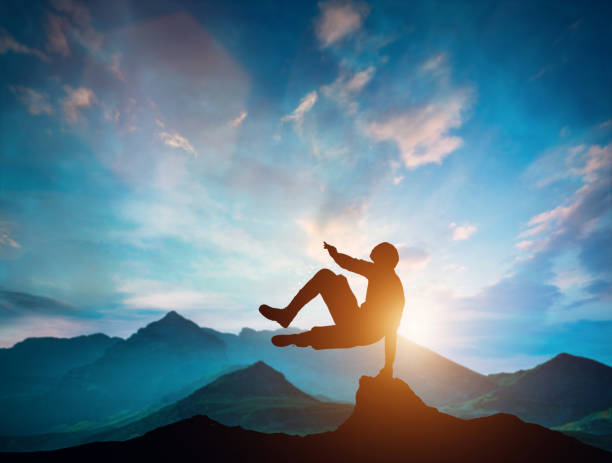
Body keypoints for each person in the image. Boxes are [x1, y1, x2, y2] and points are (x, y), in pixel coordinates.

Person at [259, 241, 405, 377]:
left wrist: (388, 366)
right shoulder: (379, 272)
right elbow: (351, 263)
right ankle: (289, 319)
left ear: (385, 260)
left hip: (364, 330)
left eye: (376, 256)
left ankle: (297, 336)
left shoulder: (391, 285)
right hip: (358, 321)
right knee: (330, 278)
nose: (372, 260)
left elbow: (391, 331)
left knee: (328, 331)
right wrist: (334, 253)